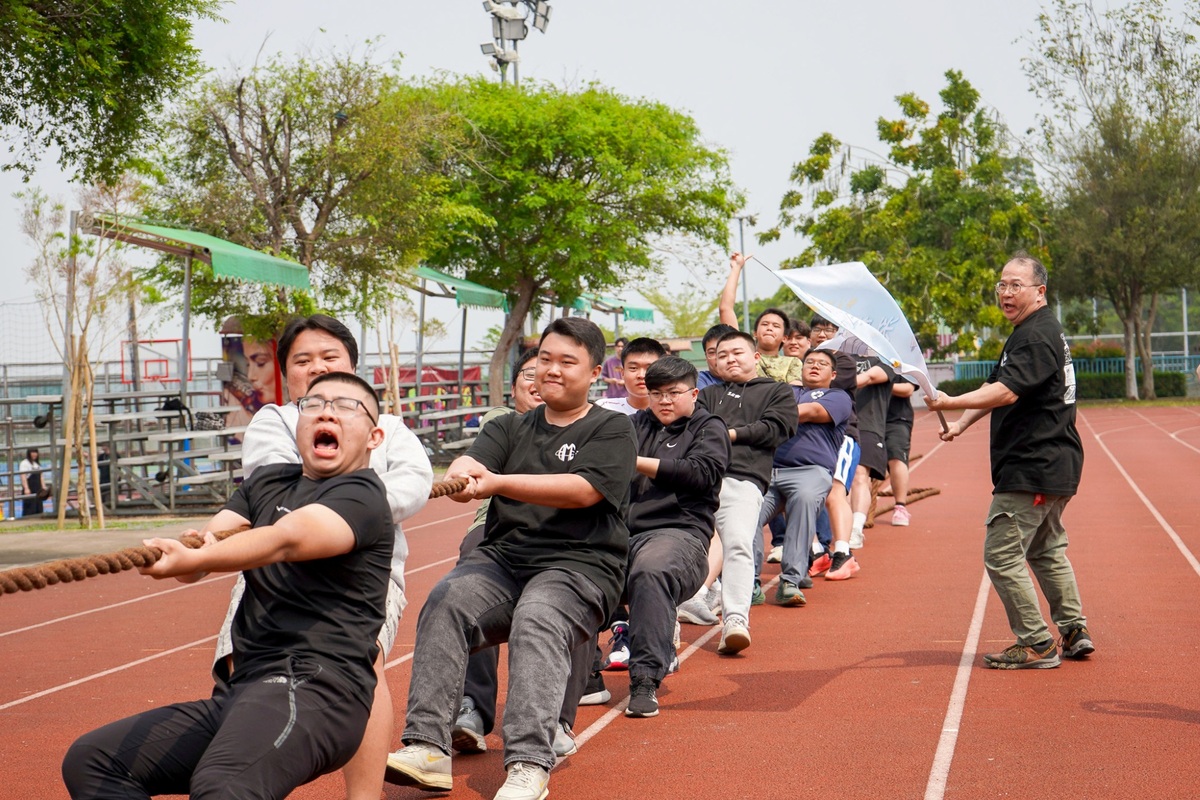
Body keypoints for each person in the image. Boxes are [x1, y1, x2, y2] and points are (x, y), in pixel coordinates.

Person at [62, 372, 395, 799]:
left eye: (347, 406)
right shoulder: (267, 482)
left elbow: (288, 538)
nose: (326, 412)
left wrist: (198, 556)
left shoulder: (362, 494)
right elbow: (208, 548)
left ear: (374, 436)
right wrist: (186, 553)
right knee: (93, 760)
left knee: (223, 786)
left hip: (316, 688)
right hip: (243, 691)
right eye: (313, 404)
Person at [386, 317, 637, 800]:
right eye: (545, 358)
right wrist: (462, 475)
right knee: (448, 598)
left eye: (568, 362)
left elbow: (582, 490)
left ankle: (528, 763)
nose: (553, 370)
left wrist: (497, 482)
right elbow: (472, 464)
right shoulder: (508, 426)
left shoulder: (612, 428)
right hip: (504, 560)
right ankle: (427, 746)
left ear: (593, 374)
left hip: (580, 567)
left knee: (538, 616)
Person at [218, 313, 433, 800]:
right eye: (302, 361)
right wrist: (352, 495)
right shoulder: (274, 421)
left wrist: (347, 517)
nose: (316, 367)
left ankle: (364, 796)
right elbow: (268, 490)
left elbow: (414, 486)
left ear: (353, 366)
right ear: (287, 373)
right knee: (241, 661)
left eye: (329, 357)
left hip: (364, 576)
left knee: (366, 666)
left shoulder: (391, 428)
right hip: (271, 571)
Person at [926, 252, 1093, 670]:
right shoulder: (1032, 331)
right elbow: (997, 382)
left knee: (1001, 555)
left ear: (1040, 291)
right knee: (1047, 550)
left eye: (1016, 285)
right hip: (1053, 465)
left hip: (1031, 467)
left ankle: (1036, 642)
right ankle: (1073, 630)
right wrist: (961, 423)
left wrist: (950, 399)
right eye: (1002, 284)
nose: (1005, 292)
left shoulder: (1035, 334)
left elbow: (1006, 392)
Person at [623, 356, 729, 716]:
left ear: (694, 392)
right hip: (624, 532)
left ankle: (644, 679)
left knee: (650, 571)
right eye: (656, 394)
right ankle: (587, 672)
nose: (664, 401)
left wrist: (634, 461)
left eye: (673, 393)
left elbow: (700, 474)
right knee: (574, 570)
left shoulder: (708, 427)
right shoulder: (632, 426)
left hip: (680, 534)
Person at [693, 330, 797, 654]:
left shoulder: (777, 391)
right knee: (681, 545)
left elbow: (776, 428)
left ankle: (736, 620)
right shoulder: (707, 395)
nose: (729, 360)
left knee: (738, 543)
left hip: (744, 479)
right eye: (721, 355)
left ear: (756, 357)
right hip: (699, 478)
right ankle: (680, 610)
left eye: (737, 353)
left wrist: (728, 434)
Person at [754, 348, 852, 605]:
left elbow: (810, 412)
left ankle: (790, 580)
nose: (815, 366)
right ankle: (749, 580)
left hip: (811, 471)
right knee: (746, 512)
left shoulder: (838, 397)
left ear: (833, 374)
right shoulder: (784, 391)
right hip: (769, 471)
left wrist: (773, 413)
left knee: (805, 501)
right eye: (810, 362)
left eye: (822, 364)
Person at [596, 337, 667, 417]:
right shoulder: (604, 409)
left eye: (649, 368)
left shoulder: (673, 412)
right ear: (623, 373)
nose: (641, 375)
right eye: (633, 368)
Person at [886, 375, 918, 526]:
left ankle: (900, 507)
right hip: (868, 417)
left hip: (897, 419)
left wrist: (878, 384)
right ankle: (858, 511)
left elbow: (908, 389)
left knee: (896, 457)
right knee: (863, 466)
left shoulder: (902, 359)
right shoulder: (859, 357)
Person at [19, 448, 46, 517]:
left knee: (39, 507)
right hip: (30, 487)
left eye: (36, 452)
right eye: (32, 452)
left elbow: (41, 476)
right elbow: (23, 476)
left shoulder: (37, 464)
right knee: (29, 508)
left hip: (38, 488)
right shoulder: (24, 463)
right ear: (29, 453)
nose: (34, 454)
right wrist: (26, 488)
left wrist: (43, 487)